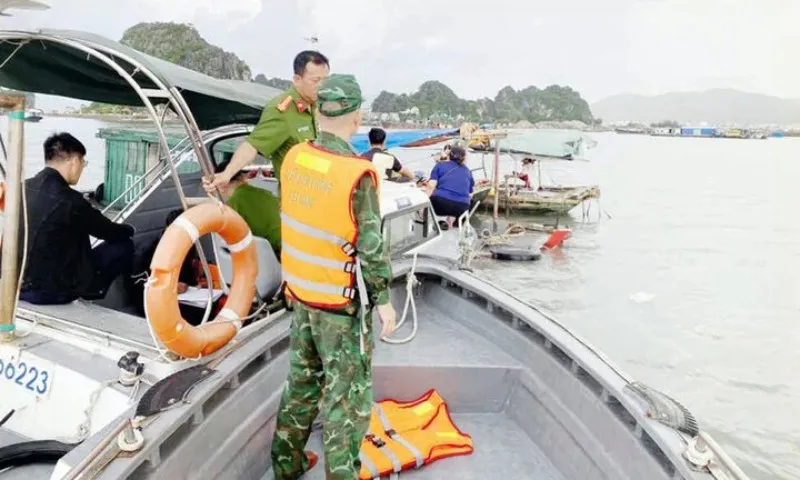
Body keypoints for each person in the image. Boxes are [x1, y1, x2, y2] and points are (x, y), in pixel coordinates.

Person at [271, 74, 397, 480]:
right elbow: (372, 249)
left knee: (301, 386)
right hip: (340, 309)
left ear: (319, 112)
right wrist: (384, 301)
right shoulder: (356, 174)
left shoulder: (294, 159)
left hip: (301, 296)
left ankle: (286, 465)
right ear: (357, 116)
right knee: (346, 404)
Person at [17, 133, 134, 305]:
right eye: (83, 163)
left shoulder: (22, 187)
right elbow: (109, 232)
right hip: (52, 292)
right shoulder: (71, 201)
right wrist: (130, 229)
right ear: (74, 161)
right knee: (124, 245)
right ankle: (93, 289)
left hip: (17, 285)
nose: (82, 168)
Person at [203, 51, 330, 195]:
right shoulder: (282, 111)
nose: (322, 86)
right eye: (315, 80)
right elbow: (253, 145)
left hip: (317, 196)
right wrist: (227, 174)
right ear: (297, 79)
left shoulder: (313, 106)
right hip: (297, 202)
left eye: (325, 81)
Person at [213, 158, 281, 255]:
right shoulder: (266, 193)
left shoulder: (234, 202)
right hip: (285, 246)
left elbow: (228, 237)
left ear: (221, 182)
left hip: (268, 253)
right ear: (242, 176)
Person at [427, 145, 475, 220]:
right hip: (462, 207)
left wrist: (422, 208)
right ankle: (452, 222)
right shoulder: (468, 171)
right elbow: (470, 193)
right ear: (463, 158)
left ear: (449, 155)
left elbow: (431, 186)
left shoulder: (440, 165)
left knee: (428, 208)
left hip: (440, 202)